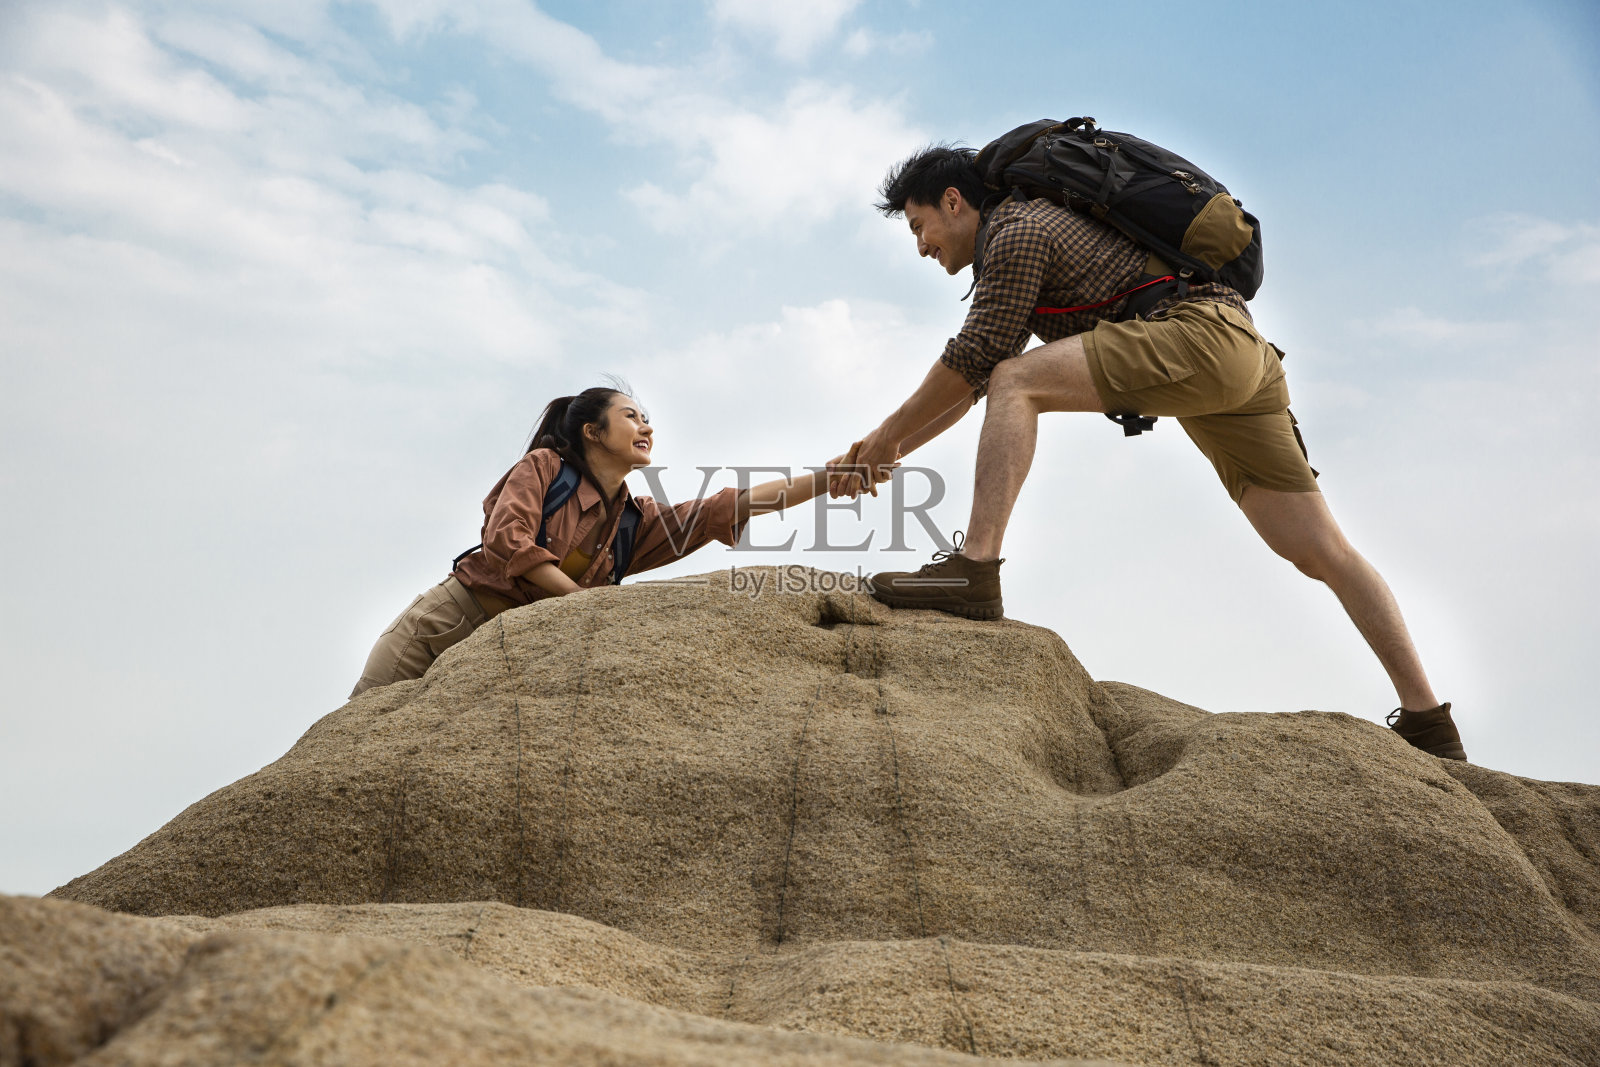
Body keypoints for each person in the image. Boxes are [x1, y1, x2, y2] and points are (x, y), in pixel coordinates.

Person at [828, 144, 1466, 762]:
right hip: (1237, 353)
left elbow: (979, 364)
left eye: (919, 226)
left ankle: (976, 569)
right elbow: (972, 389)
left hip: (1198, 337)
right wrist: (883, 451)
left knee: (1016, 379)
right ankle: (1429, 722)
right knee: (1323, 550)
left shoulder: (1016, 231)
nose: (920, 246)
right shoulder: (1023, 238)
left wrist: (886, 438)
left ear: (953, 200)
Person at [351, 384, 857, 697]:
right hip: (449, 622)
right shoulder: (545, 468)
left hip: (507, 649)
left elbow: (727, 506)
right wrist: (584, 608)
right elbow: (508, 541)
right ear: (593, 432)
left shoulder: (632, 522)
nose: (647, 426)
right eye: (631, 416)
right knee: (354, 734)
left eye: (646, 418)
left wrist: (832, 476)